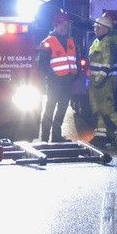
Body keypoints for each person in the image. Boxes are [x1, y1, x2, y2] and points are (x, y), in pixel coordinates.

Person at [87, 14, 117, 147]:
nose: (96, 30)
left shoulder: (108, 43)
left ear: (106, 29)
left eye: (99, 28)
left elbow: (107, 64)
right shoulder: (97, 41)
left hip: (104, 81)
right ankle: (100, 135)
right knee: (98, 109)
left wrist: (98, 80)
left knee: (107, 109)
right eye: (95, 27)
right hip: (95, 81)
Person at [36, 11, 79, 143]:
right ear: (56, 24)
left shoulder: (71, 41)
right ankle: (44, 139)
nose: (65, 26)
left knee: (62, 109)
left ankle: (56, 137)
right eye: (63, 23)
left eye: (67, 24)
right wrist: (52, 75)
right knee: (50, 109)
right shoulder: (47, 42)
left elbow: (76, 59)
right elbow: (42, 64)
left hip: (67, 81)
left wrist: (74, 75)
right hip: (55, 82)